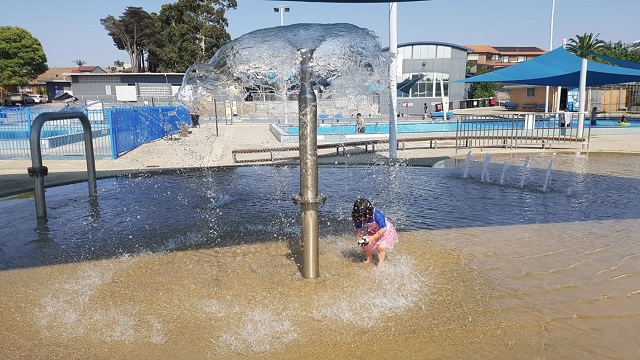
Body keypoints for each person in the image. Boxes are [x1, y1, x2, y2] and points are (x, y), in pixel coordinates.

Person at [351, 198, 398, 265]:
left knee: (381, 247)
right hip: (373, 231)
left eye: (364, 217)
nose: (362, 219)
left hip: (385, 231)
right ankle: (369, 259)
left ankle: (381, 263)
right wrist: (358, 239)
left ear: (368, 212)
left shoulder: (377, 214)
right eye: (361, 217)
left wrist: (373, 238)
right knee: (365, 245)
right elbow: (358, 229)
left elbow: (383, 229)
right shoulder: (359, 216)